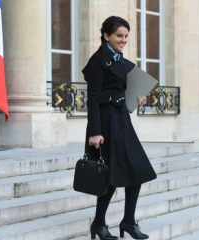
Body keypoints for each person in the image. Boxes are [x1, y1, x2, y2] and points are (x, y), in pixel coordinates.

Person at [82, 16, 157, 240]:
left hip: (122, 119)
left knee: (138, 171)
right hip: (105, 124)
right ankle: (99, 224)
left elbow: (120, 91)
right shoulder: (98, 61)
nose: (123, 40)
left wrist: (136, 98)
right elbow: (93, 99)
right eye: (119, 36)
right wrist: (95, 132)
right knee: (109, 177)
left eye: (126, 36)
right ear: (106, 36)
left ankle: (128, 222)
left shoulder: (120, 59)